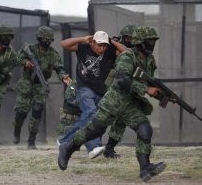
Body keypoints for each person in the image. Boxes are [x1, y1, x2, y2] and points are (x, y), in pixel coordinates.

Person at [58, 26, 167, 182]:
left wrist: (163, 96)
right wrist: (146, 89)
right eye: (148, 41)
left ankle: (145, 168)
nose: (152, 44)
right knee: (93, 130)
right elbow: (123, 81)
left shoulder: (149, 60)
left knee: (144, 129)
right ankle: (67, 147)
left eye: (153, 41)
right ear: (140, 42)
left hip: (129, 103)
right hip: (113, 101)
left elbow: (149, 84)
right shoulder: (127, 56)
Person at [58, 30, 125, 159]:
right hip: (84, 88)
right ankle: (93, 147)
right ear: (92, 42)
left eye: (104, 45)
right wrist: (83, 38)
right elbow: (63, 44)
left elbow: (127, 53)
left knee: (90, 119)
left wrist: (112, 42)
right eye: (99, 44)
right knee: (90, 112)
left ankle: (64, 140)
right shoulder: (83, 47)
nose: (102, 48)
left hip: (100, 91)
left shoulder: (110, 52)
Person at [12, 26, 71, 149]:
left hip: (40, 85)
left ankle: (31, 140)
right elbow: (15, 59)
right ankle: (17, 129)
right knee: (21, 112)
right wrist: (25, 62)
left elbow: (59, 68)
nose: (48, 42)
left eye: (50, 39)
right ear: (39, 38)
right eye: (45, 39)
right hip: (26, 84)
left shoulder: (53, 54)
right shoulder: (29, 49)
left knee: (37, 111)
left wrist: (63, 76)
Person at [104, 24, 137, 159]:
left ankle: (109, 148)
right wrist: (112, 43)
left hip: (126, 88)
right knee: (100, 117)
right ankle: (88, 143)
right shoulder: (114, 46)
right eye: (128, 38)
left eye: (133, 38)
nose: (131, 40)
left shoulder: (136, 50)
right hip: (109, 87)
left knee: (120, 120)